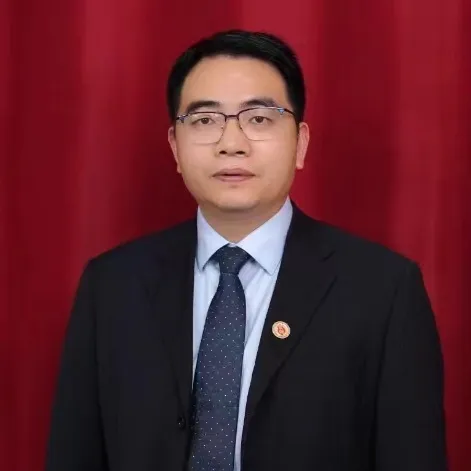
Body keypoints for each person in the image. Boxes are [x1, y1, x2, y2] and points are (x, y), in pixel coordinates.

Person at [46, 30, 447, 471]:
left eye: (259, 119)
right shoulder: (112, 286)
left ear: (301, 143)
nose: (231, 143)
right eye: (205, 121)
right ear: (175, 147)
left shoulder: (382, 291)